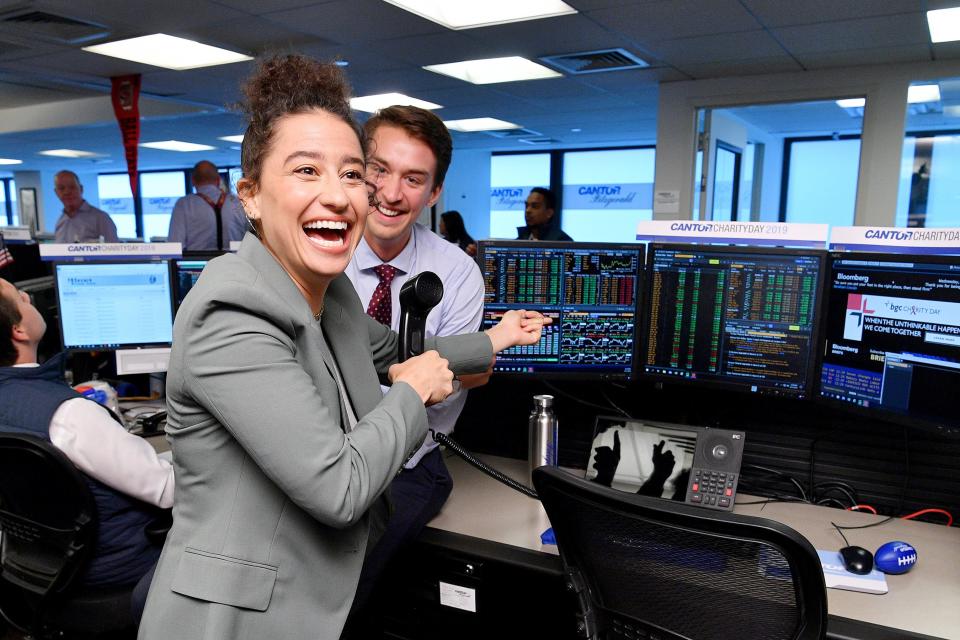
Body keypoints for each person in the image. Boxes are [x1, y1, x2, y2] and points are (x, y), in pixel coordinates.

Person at [137, 55, 548, 640]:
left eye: (352, 174)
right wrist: (410, 393)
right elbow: (339, 487)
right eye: (307, 171)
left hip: (309, 592)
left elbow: (410, 354)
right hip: (236, 619)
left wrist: (495, 340)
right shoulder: (231, 310)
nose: (338, 196)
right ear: (249, 195)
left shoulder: (333, 300)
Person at [343, 106, 487, 614]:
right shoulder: (322, 250)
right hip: (318, 456)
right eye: (379, 169)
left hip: (405, 464)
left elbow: (437, 400)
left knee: (337, 581)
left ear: (434, 193)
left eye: (414, 179)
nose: (390, 192)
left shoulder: (457, 272)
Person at [0, 277, 174, 615]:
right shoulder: (68, 414)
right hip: (119, 567)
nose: (26, 293)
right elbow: (167, 489)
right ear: (18, 331)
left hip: (36, 566)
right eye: (18, 298)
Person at [167, 160, 247, 251]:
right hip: (236, 263)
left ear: (193, 181)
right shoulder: (238, 202)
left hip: (197, 264)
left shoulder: (183, 205)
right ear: (218, 180)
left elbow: (175, 245)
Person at [53, 170, 119, 243]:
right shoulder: (60, 222)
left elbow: (113, 250)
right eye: (61, 188)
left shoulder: (100, 218)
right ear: (56, 192)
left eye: (72, 187)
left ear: (81, 189)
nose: (67, 192)